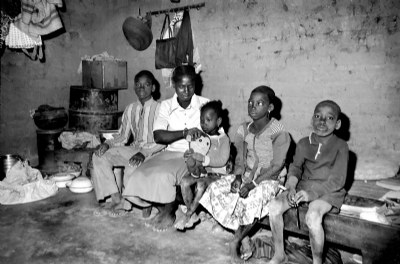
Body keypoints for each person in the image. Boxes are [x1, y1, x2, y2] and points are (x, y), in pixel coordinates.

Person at [199, 86, 290, 263]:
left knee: (253, 198)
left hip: (270, 178)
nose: (253, 106)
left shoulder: (279, 130)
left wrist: (253, 184)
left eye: (259, 103)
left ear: (270, 108)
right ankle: (244, 235)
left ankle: (236, 241)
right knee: (215, 189)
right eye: (250, 102)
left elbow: (277, 165)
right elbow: (240, 157)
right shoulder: (243, 129)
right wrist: (239, 177)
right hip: (247, 174)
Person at [122, 65, 209, 232]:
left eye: (190, 85)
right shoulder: (166, 106)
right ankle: (161, 207)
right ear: (174, 85)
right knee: (138, 173)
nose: (186, 90)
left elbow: (218, 136)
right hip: (169, 152)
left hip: (192, 154)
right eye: (181, 86)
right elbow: (159, 136)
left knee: (164, 175)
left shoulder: (205, 105)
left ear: (196, 84)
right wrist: (185, 133)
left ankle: (168, 212)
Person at [267, 100, 349, 264]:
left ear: (338, 124)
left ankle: (317, 262)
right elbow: (296, 168)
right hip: (304, 187)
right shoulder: (304, 143)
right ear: (312, 119)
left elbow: (337, 180)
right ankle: (279, 254)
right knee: (274, 206)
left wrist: (310, 195)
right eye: (318, 116)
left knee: (312, 216)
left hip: (328, 192)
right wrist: (291, 185)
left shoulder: (341, 146)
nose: (322, 122)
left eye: (329, 118)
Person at [92, 70, 164, 217]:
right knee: (99, 156)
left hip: (154, 152)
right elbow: (122, 136)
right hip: (135, 149)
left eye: (146, 84)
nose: (141, 88)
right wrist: (107, 144)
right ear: (134, 87)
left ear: (153, 88)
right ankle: (116, 199)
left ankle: (145, 202)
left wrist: (144, 153)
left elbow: (163, 141)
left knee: (132, 167)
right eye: (138, 85)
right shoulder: (131, 109)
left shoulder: (161, 109)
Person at [174, 100, 231, 231]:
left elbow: (222, 160)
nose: (203, 124)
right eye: (201, 120)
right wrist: (189, 155)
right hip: (201, 172)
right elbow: (195, 153)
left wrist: (204, 159)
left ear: (218, 122)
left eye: (208, 120)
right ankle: (192, 212)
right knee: (184, 181)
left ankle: (187, 215)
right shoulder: (201, 137)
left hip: (218, 175)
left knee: (200, 185)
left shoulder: (223, 139)